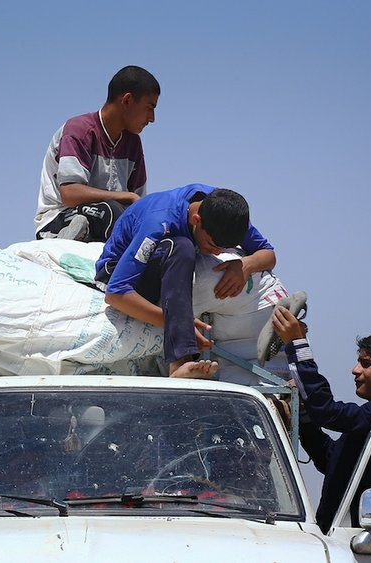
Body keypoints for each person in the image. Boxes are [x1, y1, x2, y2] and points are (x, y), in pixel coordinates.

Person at [95, 183, 276, 378]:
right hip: (122, 273)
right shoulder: (158, 222)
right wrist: (180, 323)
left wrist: (245, 265)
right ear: (196, 220)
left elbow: (269, 255)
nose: (217, 253)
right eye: (213, 245)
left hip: (168, 265)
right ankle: (179, 362)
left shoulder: (227, 213)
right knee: (182, 247)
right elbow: (116, 293)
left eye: (223, 249)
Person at [271, 307, 371, 533]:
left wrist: (298, 345)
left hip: (353, 536)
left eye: (366, 364)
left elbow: (327, 411)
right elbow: (330, 460)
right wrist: (304, 416)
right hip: (336, 532)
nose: (355, 370)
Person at [34, 65, 160, 242]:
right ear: (127, 100)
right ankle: (67, 235)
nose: (152, 118)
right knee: (110, 212)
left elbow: (138, 202)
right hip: (61, 216)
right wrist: (125, 196)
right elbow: (70, 194)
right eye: (149, 107)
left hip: (108, 216)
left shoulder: (133, 144)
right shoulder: (79, 130)